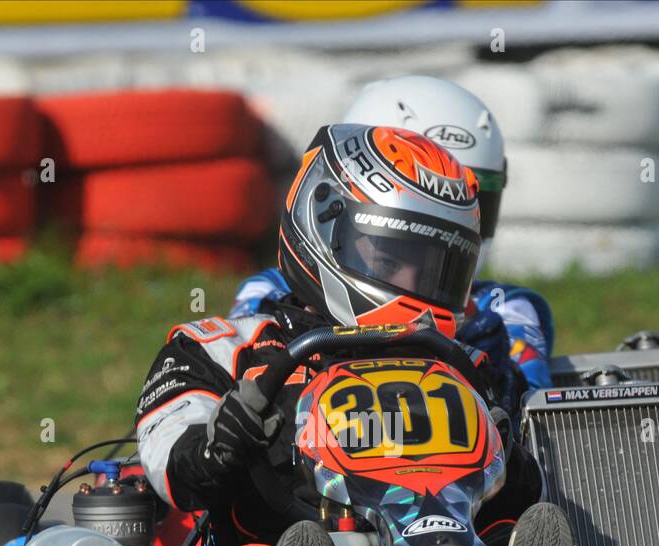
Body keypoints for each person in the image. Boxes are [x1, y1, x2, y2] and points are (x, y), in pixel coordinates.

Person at [135, 124, 542, 546]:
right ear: (325, 228)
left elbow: (517, 491)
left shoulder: (459, 364)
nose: (414, 288)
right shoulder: (225, 347)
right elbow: (171, 469)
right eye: (391, 260)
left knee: (501, 533)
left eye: (435, 271)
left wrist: (506, 448)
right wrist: (219, 444)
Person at [229, 75, 556, 414]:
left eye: (473, 199)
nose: (452, 219)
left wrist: (483, 352)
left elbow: (527, 422)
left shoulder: (504, 311)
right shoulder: (269, 292)